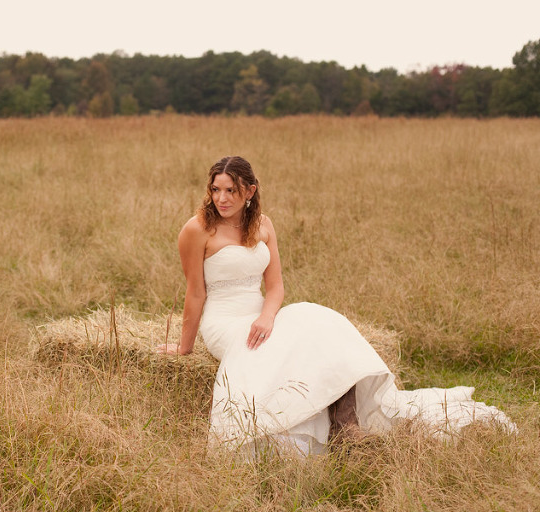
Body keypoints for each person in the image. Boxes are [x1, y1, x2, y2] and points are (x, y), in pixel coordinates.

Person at [157, 155, 514, 457]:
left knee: (323, 321)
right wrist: (185, 346)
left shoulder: (263, 225)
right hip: (225, 321)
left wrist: (268, 315)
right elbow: (195, 294)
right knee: (281, 345)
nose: (222, 197)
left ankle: (347, 427)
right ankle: (333, 429)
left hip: (261, 313)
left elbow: (276, 285)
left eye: (231, 190)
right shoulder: (197, 229)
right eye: (216, 189)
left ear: (250, 191)